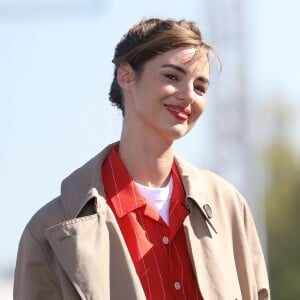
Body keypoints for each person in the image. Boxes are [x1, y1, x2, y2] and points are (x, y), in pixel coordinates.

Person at [14, 18, 270, 299]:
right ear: (126, 76)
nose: (188, 96)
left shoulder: (229, 208)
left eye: (200, 87)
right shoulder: (50, 229)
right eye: (172, 77)